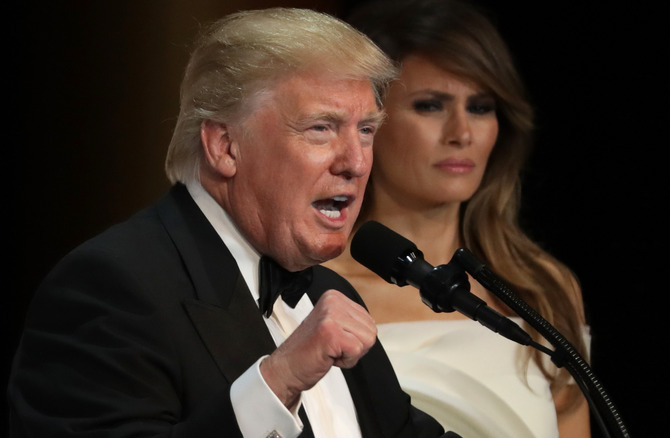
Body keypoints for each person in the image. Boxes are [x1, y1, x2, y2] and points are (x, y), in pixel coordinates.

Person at [7, 8, 462, 438]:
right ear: (225, 147)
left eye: (366, 130)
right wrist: (279, 380)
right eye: (321, 128)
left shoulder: (328, 292)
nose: (356, 162)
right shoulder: (111, 285)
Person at [324, 1, 591, 437]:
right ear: (366, 123)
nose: (461, 133)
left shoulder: (541, 288)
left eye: (481, 107)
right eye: (430, 105)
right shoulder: (308, 290)